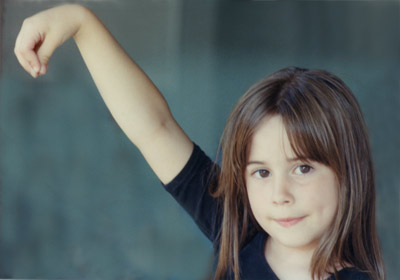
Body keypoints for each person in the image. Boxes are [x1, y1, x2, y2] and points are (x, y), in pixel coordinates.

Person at [14, 4, 385, 280]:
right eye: (261, 172)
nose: (280, 194)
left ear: (347, 170)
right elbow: (154, 127)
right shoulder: (237, 232)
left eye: (302, 168)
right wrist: (81, 23)